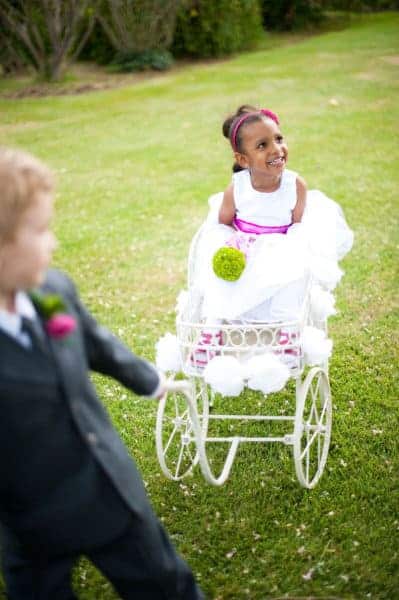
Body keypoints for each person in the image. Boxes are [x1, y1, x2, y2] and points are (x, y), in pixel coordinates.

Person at [0, 147, 204, 600]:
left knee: (165, 583)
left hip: (107, 487)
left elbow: (91, 342)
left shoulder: (49, 291)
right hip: (32, 519)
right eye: (40, 230)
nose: (53, 243)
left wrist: (149, 381)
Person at [193, 104, 353, 324]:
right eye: (262, 145)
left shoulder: (295, 185)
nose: (276, 149)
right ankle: (215, 327)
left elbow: (297, 226)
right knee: (222, 281)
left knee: (292, 275)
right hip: (246, 246)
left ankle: (286, 328)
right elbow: (223, 223)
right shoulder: (237, 188)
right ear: (243, 160)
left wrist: (287, 250)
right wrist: (236, 245)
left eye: (278, 139)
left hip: (280, 246)